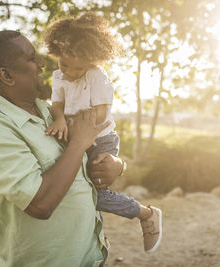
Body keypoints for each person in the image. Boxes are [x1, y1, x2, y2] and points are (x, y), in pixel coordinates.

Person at [0, 30, 126, 266]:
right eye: (32, 58)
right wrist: (78, 143)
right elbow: (40, 204)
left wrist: (118, 166)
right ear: (6, 76)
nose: (42, 64)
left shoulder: (48, 112)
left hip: (90, 257)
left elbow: (89, 154)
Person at [44, 13, 162, 252]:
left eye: (79, 68)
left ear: (92, 61)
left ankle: (147, 214)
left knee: (96, 195)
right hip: (78, 137)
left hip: (101, 139)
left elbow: (100, 114)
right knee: (76, 189)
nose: (71, 73)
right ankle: (93, 234)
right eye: (64, 64)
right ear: (56, 53)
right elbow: (57, 104)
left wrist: (73, 124)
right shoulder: (58, 76)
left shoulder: (97, 76)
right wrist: (59, 119)